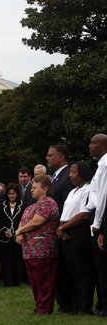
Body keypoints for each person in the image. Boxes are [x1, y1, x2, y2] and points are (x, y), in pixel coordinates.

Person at [15, 175, 59, 315]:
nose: (32, 190)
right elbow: (23, 221)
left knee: (44, 280)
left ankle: (45, 308)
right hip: (29, 251)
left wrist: (19, 231)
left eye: (34, 188)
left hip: (43, 249)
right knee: (34, 281)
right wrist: (20, 233)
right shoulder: (30, 206)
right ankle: (39, 306)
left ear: (45, 189)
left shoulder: (48, 203)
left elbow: (36, 222)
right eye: (31, 188)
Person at [55, 162, 95, 315]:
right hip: (66, 232)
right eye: (70, 172)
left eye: (73, 172)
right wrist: (61, 228)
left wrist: (64, 227)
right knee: (72, 270)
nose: (70, 175)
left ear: (83, 173)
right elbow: (65, 212)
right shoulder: (72, 192)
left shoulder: (88, 190)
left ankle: (84, 306)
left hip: (78, 232)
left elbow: (84, 214)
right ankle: (75, 303)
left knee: (83, 271)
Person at [46, 145, 75, 314]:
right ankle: (63, 301)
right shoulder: (55, 177)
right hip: (54, 229)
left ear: (62, 156)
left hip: (65, 230)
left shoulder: (69, 176)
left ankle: (68, 302)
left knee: (65, 269)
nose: (48, 158)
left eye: (51, 155)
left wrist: (63, 226)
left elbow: (68, 204)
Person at [81, 134, 107, 317]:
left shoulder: (105, 165)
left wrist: (97, 225)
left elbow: (103, 197)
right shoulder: (100, 166)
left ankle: (105, 305)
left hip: (101, 219)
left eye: (94, 142)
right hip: (98, 217)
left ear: (103, 145)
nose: (90, 146)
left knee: (103, 266)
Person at [0, 183, 25, 287]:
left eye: (13, 194)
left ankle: (17, 281)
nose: (11, 196)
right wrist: (4, 230)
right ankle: (8, 281)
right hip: (5, 237)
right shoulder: (2, 205)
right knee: (7, 259)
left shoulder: (22, 205)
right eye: (9, 194)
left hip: (18, 235)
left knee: (17, 259)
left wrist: (19, 231)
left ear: (17, 194)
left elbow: (24, 219)